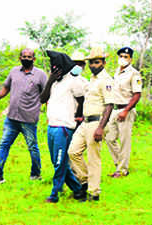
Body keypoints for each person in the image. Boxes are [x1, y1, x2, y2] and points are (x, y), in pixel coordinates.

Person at [0, 48, 47, 186]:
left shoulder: (40, 75)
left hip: (28, 119)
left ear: (34, 59)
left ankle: (36, 174)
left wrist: (50, 113)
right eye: (24, 56)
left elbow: (47, 94)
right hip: (12, 118)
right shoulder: (14, 71)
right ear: (19, 58)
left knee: (32, 147)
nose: (26, 58)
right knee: (4, 145)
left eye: (29, 57)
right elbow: (6, 88)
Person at [39, 50, 87, 203]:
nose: (54, 70)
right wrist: (50, 79)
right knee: (58, 162)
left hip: (64, 127)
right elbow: (42, 99)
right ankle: (78, 190)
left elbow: (82, 100)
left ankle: (54, 194)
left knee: (60, 163)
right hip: (52, 125)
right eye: (52, 68)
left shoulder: (74, 81)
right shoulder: (54, 81)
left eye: (56, 68)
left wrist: (78, 117)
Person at [68, 46, 114, 201]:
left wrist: (101, 127)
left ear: (104, 62)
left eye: (97, 62)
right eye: (91, 63)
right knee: (73, 151)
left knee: (94, 158)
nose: (93, 65)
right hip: (85, 122)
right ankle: (85, 179)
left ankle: (94, 193)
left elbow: (109, 105)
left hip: (97, 122)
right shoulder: (92, 80)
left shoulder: (106, 80)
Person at [105, 47, 141, 178]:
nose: (123, 58)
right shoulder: (117, 72)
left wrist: (126, 111)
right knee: (109, 138)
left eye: (126, 56)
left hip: (126, 109)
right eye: (121, 56)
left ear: (131, 59)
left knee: (125, 141)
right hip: (115, 109)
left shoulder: (134, 74)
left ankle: (122, 170)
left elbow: (137, 95)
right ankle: (119, 164)